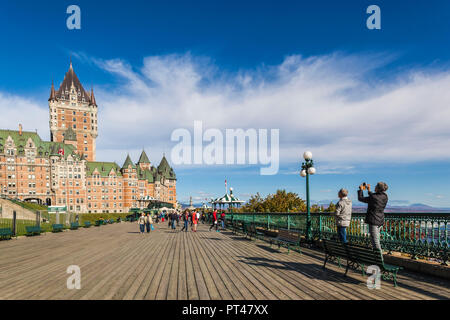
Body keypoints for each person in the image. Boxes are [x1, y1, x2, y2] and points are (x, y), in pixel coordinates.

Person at [358, 182, 389, 251]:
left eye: (375, 186)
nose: (374, 187)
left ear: (378, 188)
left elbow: (361, 198)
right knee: (376, 239)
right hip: (380, 220)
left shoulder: (373, 197)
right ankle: (377, 256)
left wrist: (361, 190)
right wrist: (368, 190)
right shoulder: (385, 196)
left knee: (375, 241)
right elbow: (374, 196)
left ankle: (379, 258)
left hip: (373, 220)